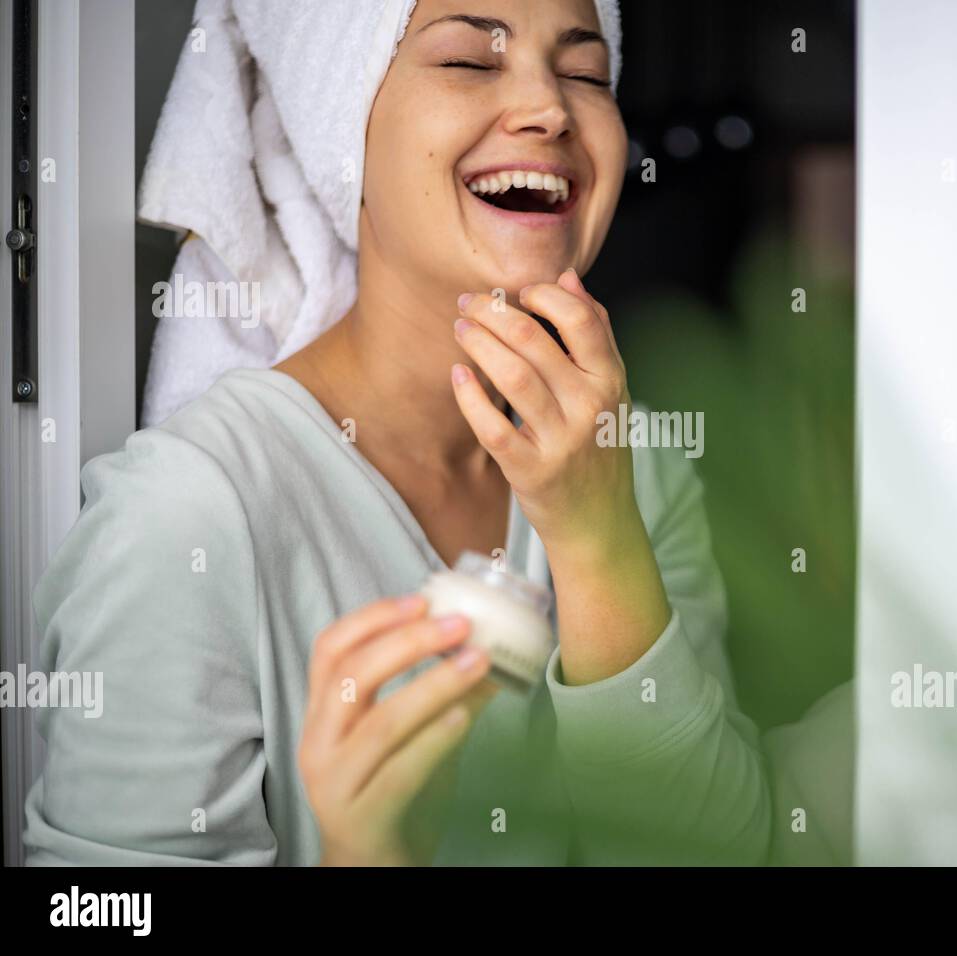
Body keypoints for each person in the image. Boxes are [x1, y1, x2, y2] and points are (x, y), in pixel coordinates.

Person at [24, 0, 771, 866]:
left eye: (585, 73)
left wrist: (599, 537)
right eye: (469, 61)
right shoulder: (186, 517)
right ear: (343, 125)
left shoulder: (635, 466)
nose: (551, 109)